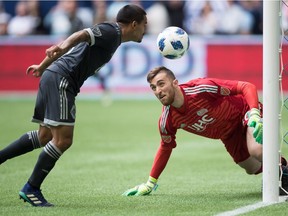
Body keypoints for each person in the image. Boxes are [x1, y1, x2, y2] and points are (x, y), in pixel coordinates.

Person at [0, 4, 147, 207]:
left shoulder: (113, 37)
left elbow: (77, 47)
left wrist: (42, 66)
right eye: (144, 24)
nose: (145, 29)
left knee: (45, 136)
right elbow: (81, 34)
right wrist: (60, 46)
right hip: (62, 80)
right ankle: (31, 188)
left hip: (53, 75)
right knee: (63, 140)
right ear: (133, 24)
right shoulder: (111, 31)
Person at [122, 66, 288, 196]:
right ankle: (280, 169)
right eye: (153, 88)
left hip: (245, 112)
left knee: (256, 150)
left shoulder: (201, 88)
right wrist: (150, 182)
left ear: (175, 83)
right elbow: (165, 147)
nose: (158, 91)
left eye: (161, 84)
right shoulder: (167, 120)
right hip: (228, 135)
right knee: (251, 168)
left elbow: (246, 86)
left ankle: (282, 174)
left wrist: (254, 113)